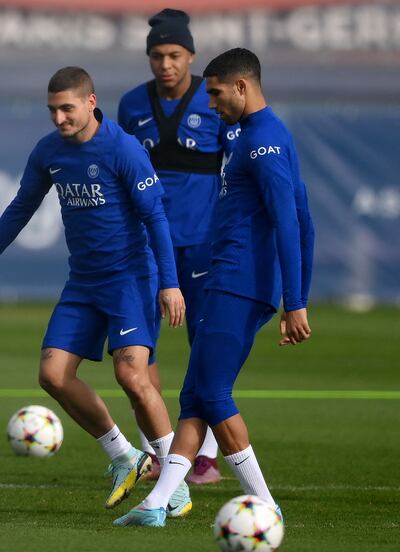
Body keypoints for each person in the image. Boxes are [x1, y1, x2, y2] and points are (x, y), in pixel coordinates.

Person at [0, 66, 192, 519]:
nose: (58, 118)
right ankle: (126, 457)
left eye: (66, 108)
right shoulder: (49, 151)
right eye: (52, 109)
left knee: (132, 377)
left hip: (131, 278)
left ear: (91, 102)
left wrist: (169, 283)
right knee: (52, 375)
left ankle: (176, 485)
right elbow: (21, 206)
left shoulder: (123, 149)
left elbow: (156, 220)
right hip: (84, 282)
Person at [114, 48, 315, 527]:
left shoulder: (264, 141)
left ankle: (266, 506)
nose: (214, 104)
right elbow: (304, 217)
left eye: (218, 93)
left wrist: (297, 301)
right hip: (229, 276)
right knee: (196, 396)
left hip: (240, 281)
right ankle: (157, 504)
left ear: (242, 87)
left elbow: (291, 222)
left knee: (214, 392)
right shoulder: (254, 135)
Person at [117, 8, 237, 485]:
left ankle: (203, 456)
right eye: (157, 55)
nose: (165, 64)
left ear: (190, 55)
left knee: (205, 350)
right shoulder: (130, 105)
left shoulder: (215, 102)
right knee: (140, 353)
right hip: (145, 247)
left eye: (174, 54)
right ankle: (157, 452)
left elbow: (238, 170)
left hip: (203, 246)